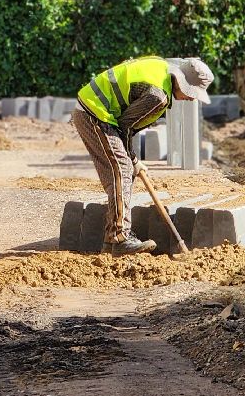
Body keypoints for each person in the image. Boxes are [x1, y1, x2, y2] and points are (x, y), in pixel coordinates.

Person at [71, 55, 215, 256]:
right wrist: (133, 159)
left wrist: (133, 160)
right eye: (192, 92)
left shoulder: (162, 68)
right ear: (181, 81)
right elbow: (125, 127)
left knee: (122, 172)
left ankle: (111, 242)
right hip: (95, 114)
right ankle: (120, 238)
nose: (192, 98)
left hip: (95, 110)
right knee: (122, 170)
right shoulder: (158, 96)